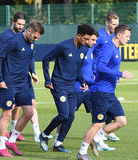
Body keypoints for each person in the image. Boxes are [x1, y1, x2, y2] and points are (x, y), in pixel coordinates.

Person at [77, 24, 134, 160]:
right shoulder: (108, 47)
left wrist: (116, 76)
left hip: (109, 92)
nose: (128, 39)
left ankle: (97, 138)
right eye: (127, 36)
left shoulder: (116, 48)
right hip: (101, 92)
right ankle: (82, 152)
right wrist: (120, 73)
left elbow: (107, 68)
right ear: (119, 35)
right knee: (97, 124)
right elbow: (100, 67)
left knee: (121, 121)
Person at [39, 24, 97, 153]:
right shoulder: (63, 46)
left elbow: (78, 68)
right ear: (78, 36)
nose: (87, 42)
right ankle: (44, 135)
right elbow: (46, 59)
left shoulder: (84, 49)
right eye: (86, 39)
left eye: (89, 39)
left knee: (70, 116)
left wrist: (82, 81)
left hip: (71, 86)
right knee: (63, 114)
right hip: (58, 84)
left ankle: (58, 144)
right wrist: (48, 80)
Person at [0, 21, 44, 157]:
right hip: (9, 83)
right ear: (29, 31)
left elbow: (29, 58)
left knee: (29, 112)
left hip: (23, 84)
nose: (36, 39)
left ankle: (11, 141)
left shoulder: (31, 44)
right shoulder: (14, 41)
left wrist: (32, 72)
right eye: (35, 36)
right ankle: (1, 147)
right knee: (7, 114)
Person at [93, 12, 121, 142]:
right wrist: (91, 71)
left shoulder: (115, 38)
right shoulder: (100, 36)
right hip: (97, 75)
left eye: (117, 24)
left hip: (108, 75)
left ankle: (107, 131)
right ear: (107, 23)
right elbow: (91, 52)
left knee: (109, 100)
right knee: (102, 101)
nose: (116, 27)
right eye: (114, 24)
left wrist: (116, 74)